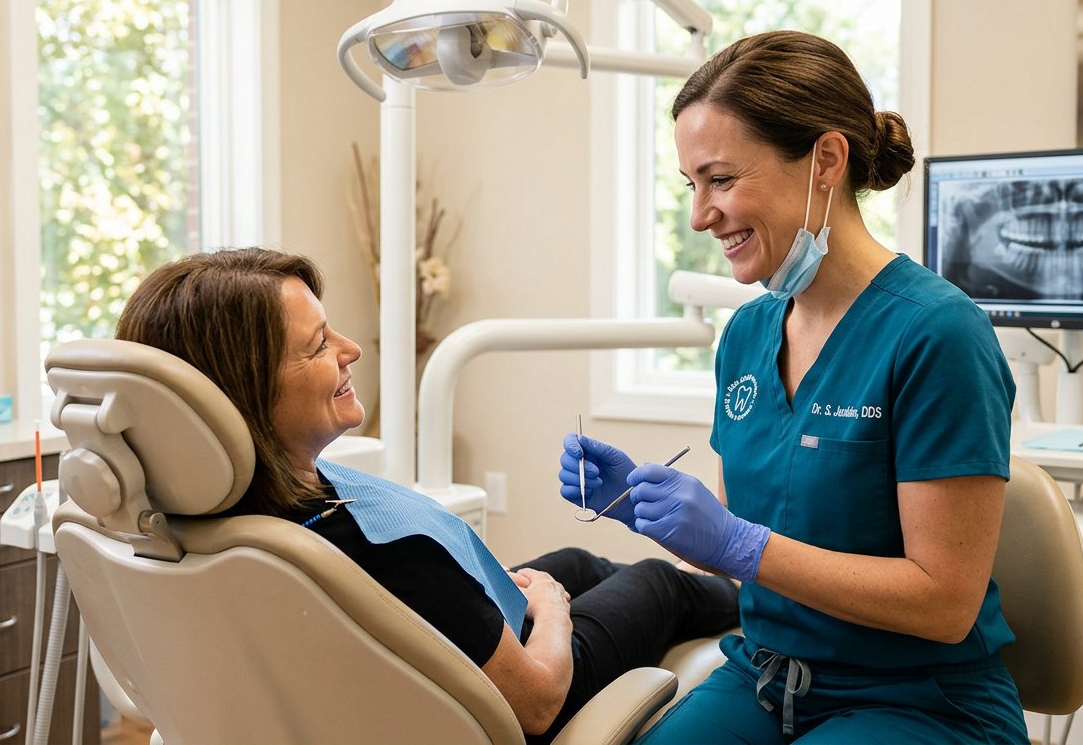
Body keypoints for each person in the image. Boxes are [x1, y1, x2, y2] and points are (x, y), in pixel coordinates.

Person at [558, 30, 1026, 743]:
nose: (698, 215)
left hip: (916, 699)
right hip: (765, 677)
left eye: (720, 179)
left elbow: (944, 602)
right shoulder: (747, 336)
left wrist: (741, 545)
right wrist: (640, 508)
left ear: (826, 161)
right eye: (691, 185)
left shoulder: (938, 334)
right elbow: (749, 538)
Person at [114, 247, 738, 743]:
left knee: (575, 563)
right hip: (516, 705)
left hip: (391, 678)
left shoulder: (198, 519)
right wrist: (551, 611)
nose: (351, 349)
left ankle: (722, 589)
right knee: (659, 580)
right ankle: (753, 602)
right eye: (318, 345)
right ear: (245, 393)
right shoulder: (376, 551)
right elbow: (540, 701)